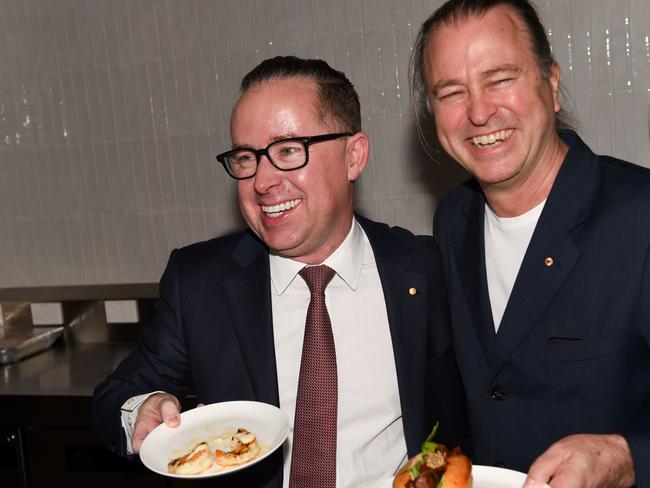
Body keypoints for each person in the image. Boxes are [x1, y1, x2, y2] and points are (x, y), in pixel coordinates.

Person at [93, 55, 468, 487]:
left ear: (353, 156)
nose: (263, 181)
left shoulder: (423, 269)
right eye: (246, 158)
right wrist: (142, 410)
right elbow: (115, 397)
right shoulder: (200, 283)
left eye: (288, 151)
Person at [410, 1, 650, 487]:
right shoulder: (453, 221)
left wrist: (628, 459)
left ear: (552, 83)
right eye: (452, 91)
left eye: (500, 79)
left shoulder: (640, 216)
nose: (479, 112)